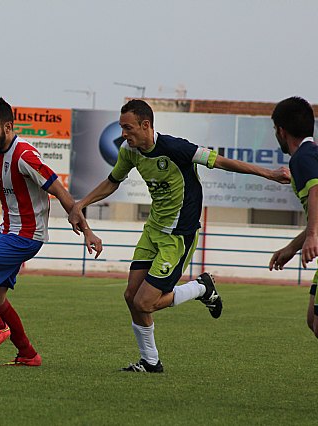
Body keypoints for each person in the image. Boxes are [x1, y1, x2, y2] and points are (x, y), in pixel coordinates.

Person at [69, 99, 290, 373]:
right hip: (153, 231)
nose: (123, 134)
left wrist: (269, 173)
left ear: (146, 125)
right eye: (121, 128)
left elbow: (221, 162)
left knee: (144, 302)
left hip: (178, 236)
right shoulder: (129, 151)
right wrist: (81, 204)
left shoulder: (177, 148)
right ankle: (150, 361)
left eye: (128, 128)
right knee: (131, 296)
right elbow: (113, 181)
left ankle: (201, 288)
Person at [0, 97, 102, 367]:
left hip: (26, 237)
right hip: (9, 233)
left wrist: (87, 231)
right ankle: (28, 354)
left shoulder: (25, 156)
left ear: (8, 126)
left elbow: (61, 192)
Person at [269, 96, 318, 338]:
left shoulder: (302, 157)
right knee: (313, 320)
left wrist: (311, 237)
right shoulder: (312, 153)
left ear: (281, 131)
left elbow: (316, 190)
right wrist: (292, 247)